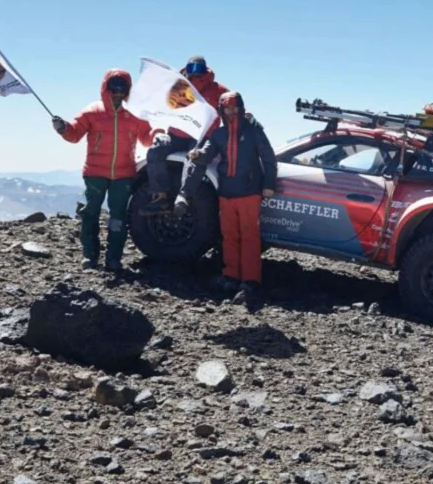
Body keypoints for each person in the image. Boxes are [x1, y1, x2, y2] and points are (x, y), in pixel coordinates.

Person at [174, 91, 277, 310]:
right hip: (227, 193)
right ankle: (231, 276)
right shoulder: (219, 134)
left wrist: (269, 185)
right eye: (227, 108)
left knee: (249, 236)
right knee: (229, 236)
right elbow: (208, 154)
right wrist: (197, 155)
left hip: (250, 192)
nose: (231, 112)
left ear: (240, 107)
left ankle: (250, 281)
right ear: (221, 111)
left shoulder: (254, 132)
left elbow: (269, 158)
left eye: (234, 107)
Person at [52, 69, 157, 271]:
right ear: (106, 88)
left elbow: (146, 136)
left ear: (128, 91)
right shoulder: (92, 112)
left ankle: (113, 259)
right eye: (114, 88)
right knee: (90, 213)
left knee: (117, 217)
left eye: (122, 89)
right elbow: (74, 134)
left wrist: (158, 134)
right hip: (95, 174)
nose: (118, 93)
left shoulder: (134, 114)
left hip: (123, 174)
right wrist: (63, 127)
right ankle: (89, 257)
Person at [142, 56, 231, 214]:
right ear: (186, 68)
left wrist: (244, 117)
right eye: (192, 69)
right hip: (176, 134)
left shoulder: (218, 90)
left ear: (206, 70)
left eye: (200, 69)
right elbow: (164, 106)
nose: (196, 74)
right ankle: (160, 196)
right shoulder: (177, 86)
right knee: (156, 150)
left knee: (195, 157)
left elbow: (232, 106)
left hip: (201, 136)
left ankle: (184, 197)